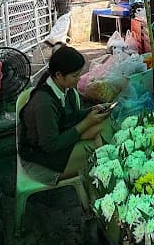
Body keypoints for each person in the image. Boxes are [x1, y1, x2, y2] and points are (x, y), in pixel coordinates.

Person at [18, 45, 110, 182]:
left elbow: (69, 117)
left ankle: (102, 183)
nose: (79, 79)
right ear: (59, 75)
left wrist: (92, 110)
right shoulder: (44, 103)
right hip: (40, 162)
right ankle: (102, 188)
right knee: (101, 151)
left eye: (79, 74)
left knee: (105, 125)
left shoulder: (66, 89)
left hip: (57, 143)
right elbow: (50, 145)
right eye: (75, 75)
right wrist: (86, 123)